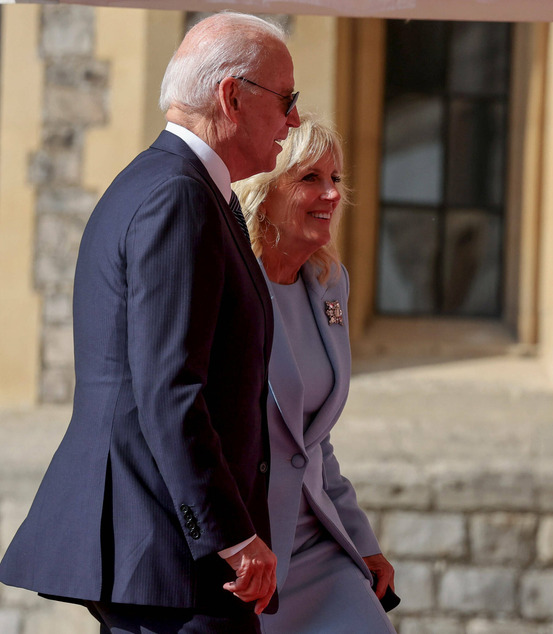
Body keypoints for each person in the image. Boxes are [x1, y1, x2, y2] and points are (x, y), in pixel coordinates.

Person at [0, 12, 301, 633]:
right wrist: (232, 536)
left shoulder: (171, 185)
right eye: (287, 99)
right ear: (232, 97)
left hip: (164, 553)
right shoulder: (177, 195)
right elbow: (170, 389)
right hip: (171, 561)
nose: (294, 120)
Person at [233, 115, 397, 633]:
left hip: (318, 547)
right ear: (265, 191)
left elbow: (312, 439)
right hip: (250, 553)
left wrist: (362, 542)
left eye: (336, 179)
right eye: (309, 178)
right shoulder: (230, 285)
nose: (331, 194)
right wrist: (231, 541)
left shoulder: (329, 283)